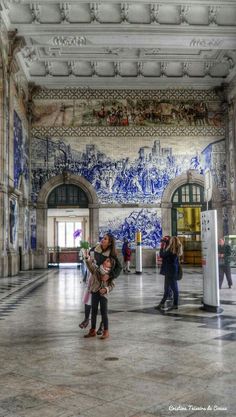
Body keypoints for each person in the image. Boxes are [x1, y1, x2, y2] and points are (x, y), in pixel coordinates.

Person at [79, 233, 122, 334]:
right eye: (103, 238)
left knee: (103, 304)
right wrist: (86, 255)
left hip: (104, 280)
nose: (103, 240)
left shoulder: (112, 254)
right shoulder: (95, 248)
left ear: (110, 242)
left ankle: (102, 325)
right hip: (93, 276)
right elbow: (88, 258)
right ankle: (86, 320)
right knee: (87, 299)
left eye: (105, 239)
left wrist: (110, 275)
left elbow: (119, 267)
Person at [83, 254, 115, 339]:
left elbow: (112, 285)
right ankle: (92, 330)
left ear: (111, 265)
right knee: (93, 312)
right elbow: (90, 266)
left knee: (104, 313)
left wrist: (106, 289)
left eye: (108, 261)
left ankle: (106, 331)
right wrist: (87, 259)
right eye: (105, 260)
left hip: (103, 295)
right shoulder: (96, 269)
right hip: (94, 292)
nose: (105, 262)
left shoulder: (110, 274)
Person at [155, 236, 183, 311]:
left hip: (170, 272)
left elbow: (162, 255)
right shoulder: (175, 249)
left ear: (172, 242)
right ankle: (161, 304)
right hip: (171, 271)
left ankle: (175, 304)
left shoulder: (171, 250)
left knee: (174, 289)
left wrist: (161, 247)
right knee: (167, 289)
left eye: (171, 241)